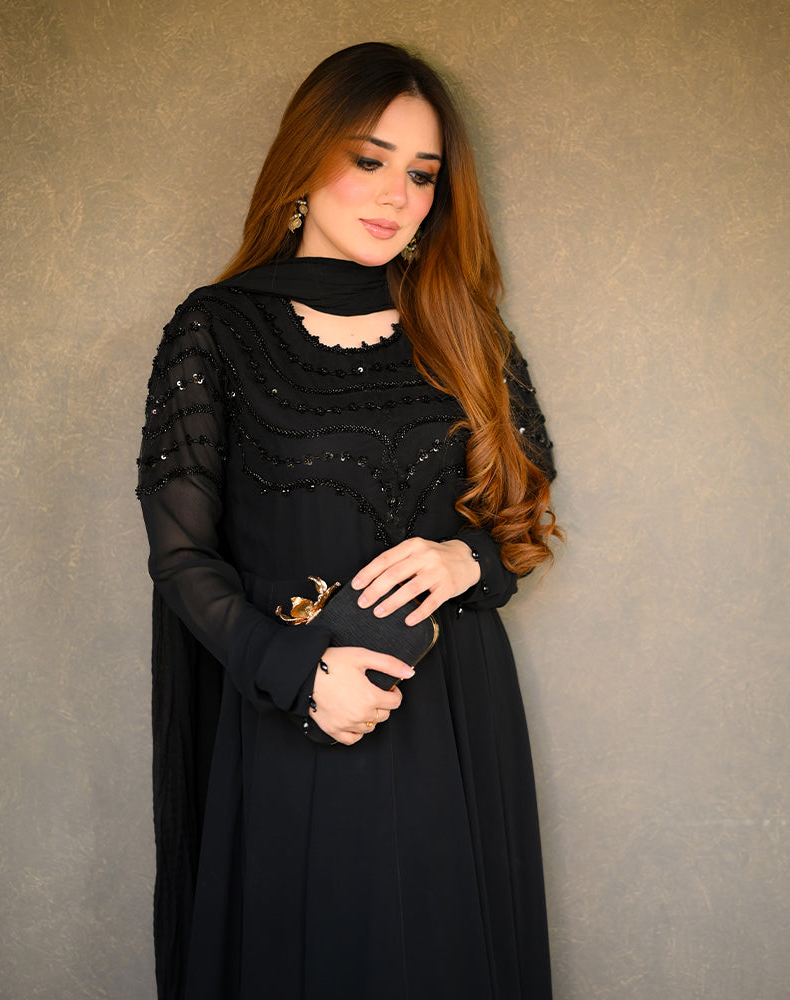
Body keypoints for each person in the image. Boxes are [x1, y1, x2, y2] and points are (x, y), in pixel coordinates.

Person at [137, 41, 559, 1000]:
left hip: (454, 715)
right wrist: (301, 677)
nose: (396, 196)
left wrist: (467, 562)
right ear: (304, 159)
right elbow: (182, 556)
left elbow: (522, 510)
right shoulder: (217, 328)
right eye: (369, 160)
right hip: (297, 709)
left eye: (422, 174)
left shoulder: (463, 323)